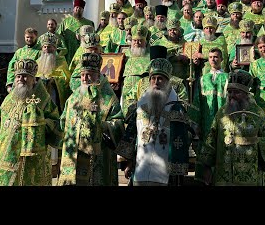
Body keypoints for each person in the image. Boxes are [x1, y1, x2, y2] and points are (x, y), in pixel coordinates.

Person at [0, 59, 61, 186]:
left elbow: (55, 122)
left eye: (25, 76)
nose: (21, 79)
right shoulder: (10, 98)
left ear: (33, 79)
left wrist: (40, 122)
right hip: (5, 152)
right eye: (18, 76)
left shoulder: (43, 99)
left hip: (30, 157)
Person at [118, 54, 193, 186]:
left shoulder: (176, 108)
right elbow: (131, 134)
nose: (156, 82)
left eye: (160, 79)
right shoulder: (140, 106)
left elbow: (184, 138)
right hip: (141, 169)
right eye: (153, 79)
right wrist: (128, 163)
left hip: (166, 172)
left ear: (167, 81)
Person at [198, 69, 265, 186]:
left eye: (236, 92)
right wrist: (206, 166)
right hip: (224, 175)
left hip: (252, 175)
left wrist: (255, 142)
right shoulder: (222, 113)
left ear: (246, 94)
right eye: (229, 92)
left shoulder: (258, 113)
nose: (232, 95)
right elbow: (211, 139)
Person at [57, 53, 125, 186]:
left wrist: (102, 126)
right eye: (82, 75)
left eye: (88, 74)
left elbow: (118, 123)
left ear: (97, 74)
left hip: (98, 154)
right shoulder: (74, 97)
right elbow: (63, 121)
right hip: (74, 153)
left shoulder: (108, 97)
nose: (84, 78)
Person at [191, 47, 229, 183]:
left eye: (216, 57)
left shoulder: (228, 78)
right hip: (206, 123)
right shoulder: (202, 79)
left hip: (224, 123)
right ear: (208, 59)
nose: (213, 59)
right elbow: (197, 101)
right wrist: (195, 124)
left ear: (222, 59)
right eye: (211, 57)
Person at [56, 0, 95, 65]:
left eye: (80, 8)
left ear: (83, 10)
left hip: (82, 49)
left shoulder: (89, 23)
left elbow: (93, 38)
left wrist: (82, 38)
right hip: (68, 49)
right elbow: (58, 35)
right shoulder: (66, 21)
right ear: (73, 9)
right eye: (76, 7)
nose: (78, 9)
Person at [5, 27, 41, 93]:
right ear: (24, 36)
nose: (29, 39)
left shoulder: (41, 51)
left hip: (34, 85)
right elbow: (11, 67)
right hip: (19, 84)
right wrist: (10, 84)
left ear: (36, 37)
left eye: (31, 37)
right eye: (27, 37)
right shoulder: (19, 52)